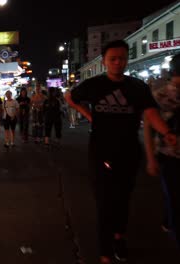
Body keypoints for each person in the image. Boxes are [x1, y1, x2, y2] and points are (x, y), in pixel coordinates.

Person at [65, 39, 177, 264]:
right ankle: (105, 251)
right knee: (105, 202)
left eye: (122, 58)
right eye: (113, 59)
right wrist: (89, 116)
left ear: (127, 59)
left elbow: (151, 113)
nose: (118, 63)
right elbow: (70, 97)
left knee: (123, 200)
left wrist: (167, 132)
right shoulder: (94, 84)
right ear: (105, 61)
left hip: (129, 153)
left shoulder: (137, 87)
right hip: (100, 153)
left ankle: (119, 236)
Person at [144, 53, 180, 247]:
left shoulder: (158, 94)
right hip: (169, 156)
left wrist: (150, 158)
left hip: (167, 156)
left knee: (173, 198)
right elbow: (148, 126)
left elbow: (147, 128)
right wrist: (150, 157)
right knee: (174, 198)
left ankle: (170, 222)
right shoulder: (161, 95)